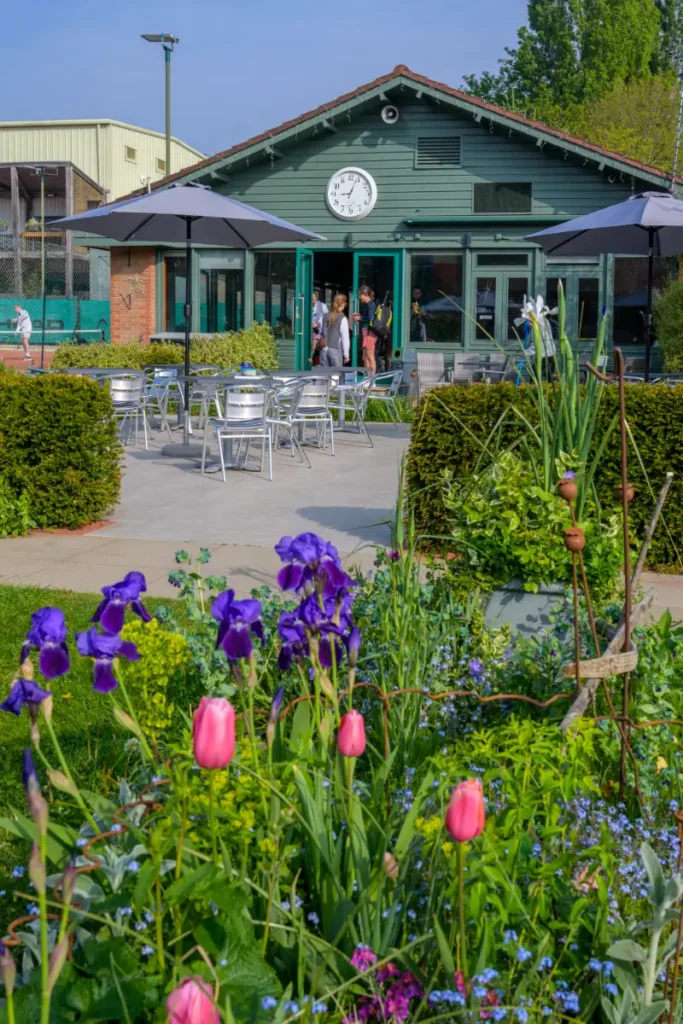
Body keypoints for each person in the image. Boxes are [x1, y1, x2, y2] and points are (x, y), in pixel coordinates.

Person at [319, 293, 350, 368]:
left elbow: (320, 332)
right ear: (342, 304)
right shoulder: (342, 318)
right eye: (345, 303)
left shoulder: (325, 316)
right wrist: (346, 355)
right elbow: (345, 338)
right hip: (335, 350)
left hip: (323, 349)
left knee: (324, 377)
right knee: (336, 377)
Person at [353, 285, 377, 373]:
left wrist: (360, 318)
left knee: (370, 357)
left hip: (370, 334)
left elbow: (370, 319)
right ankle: (367, 378)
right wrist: (361, 317)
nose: (359, 297)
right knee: (365, 357)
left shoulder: (370, 305)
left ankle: (372, 379)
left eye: (360, 295)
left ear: (366, 294)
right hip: (367, 333)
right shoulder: (368, 305)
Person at [311, 290, 328, 366]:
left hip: (319, 331)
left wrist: (319, 324)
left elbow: (327, 318)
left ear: (316, 297)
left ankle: (311, 357)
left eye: (314, 296)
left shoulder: (322, 306)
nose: (313, 298)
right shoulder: (306, 306)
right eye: (311, 297)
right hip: (309, 330)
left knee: (315, 339)